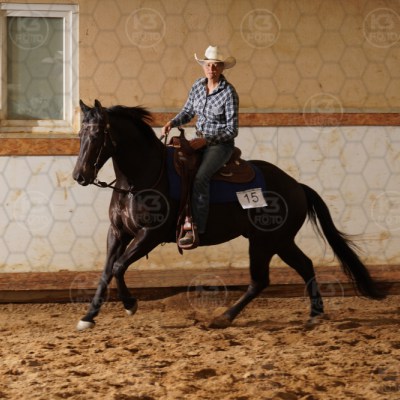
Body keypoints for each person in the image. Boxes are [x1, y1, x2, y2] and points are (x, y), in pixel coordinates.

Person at [162, 46, 239, 246]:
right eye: (208, 65)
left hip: (220, 145)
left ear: (222, 68)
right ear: (203, 66)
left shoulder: (228, 92)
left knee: (201, 177)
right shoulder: (197, 85)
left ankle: (197, 228)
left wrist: (206, 140)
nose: (211, 68)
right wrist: (172, 122)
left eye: (216, 65)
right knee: (174, 167)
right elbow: (188, 112)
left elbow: (232, 130)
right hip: (198, 141)